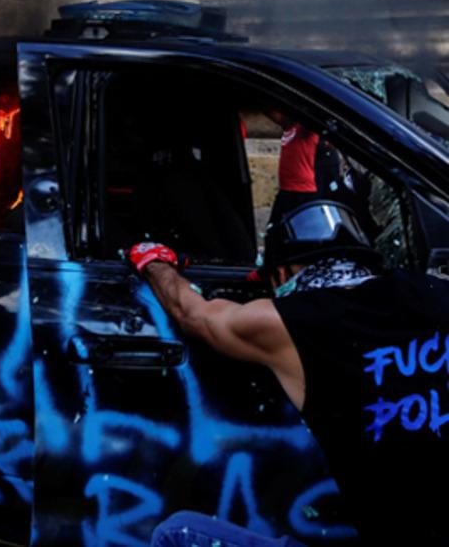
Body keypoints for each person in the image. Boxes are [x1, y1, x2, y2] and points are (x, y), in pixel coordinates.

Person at [131, 200, 449, 545]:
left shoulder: (290, 323)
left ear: (283, 274)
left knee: (178, 534)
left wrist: (155, 263)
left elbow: (193, 314)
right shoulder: (436, 295)